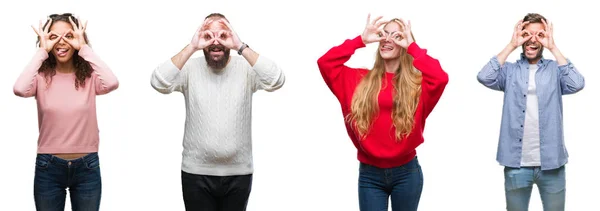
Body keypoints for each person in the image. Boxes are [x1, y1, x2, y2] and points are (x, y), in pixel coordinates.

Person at [150, 13, 285, 211]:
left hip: (239, 173)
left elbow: (277, 79)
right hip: (196, 173)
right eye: (208, 36)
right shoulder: (189, 68)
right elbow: (158, 81)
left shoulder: (246, 69)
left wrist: (240, 46)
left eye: (222, 36)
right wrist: (192, 46)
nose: (216, 42)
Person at [317, 14, 449, 211]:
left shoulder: (417, 86)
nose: (387, 40)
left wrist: (412, 47)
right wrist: (360, 40)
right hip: (370, 176)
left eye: (396, 36)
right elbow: (325, 63)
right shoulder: (358, 80)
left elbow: (440, 78)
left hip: (407, 174)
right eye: (384, 34)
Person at [476, 13, 585, 211]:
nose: (532, 39)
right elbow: (484, 76)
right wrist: (511, 44)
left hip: (552, 164)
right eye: (527, 34)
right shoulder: (509, 71)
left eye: (539, 35)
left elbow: (577, 84)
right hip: (516, 164)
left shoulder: (555, 70)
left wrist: (553, 47)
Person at [13, 13, 119, 211]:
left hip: (87, 166)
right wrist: (41, 52)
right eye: (53, 37)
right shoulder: (40, 77)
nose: (61, 42)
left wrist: (84, 48)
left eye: (68, 36)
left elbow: (112, 82)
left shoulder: (90, 77)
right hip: (48, 167)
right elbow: (19, 89)